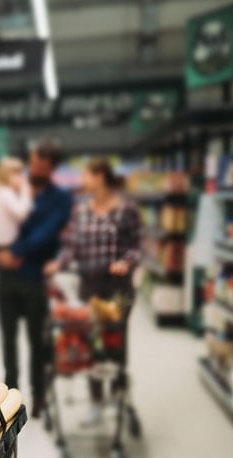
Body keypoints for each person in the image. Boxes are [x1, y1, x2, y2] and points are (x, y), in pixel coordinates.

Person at [45, 158, 141, 426]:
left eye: (85, 175)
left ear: (100, 177)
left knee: (115, 342)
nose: (82, 181)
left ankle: (118, 393)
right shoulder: (82, 210)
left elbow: (136, 246)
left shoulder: (126, 209)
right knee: (91, 342)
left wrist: (127, 262)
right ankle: (97, 401)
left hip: (118, 287)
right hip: (90, 286)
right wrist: (58, 264)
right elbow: (72, 246)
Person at [0, 139, 73, 418]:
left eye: (42, 164)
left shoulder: (61, 199)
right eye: (34, 162)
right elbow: (0, 220)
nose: (35, 168)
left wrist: (15, 252)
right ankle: (10, 397)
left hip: (33, 277)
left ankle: (39, 394)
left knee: (37, 340)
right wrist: (0, 250)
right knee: (9, 340)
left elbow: (47, 233)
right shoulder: (15, 187)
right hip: (6, 277)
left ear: (52, 168)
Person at [0, 156, 32, 251]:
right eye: (18, 174)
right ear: (6, 176)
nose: (22, 178)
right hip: (8, 245)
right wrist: (26, 193)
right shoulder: (6, 193)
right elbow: (21, 213)